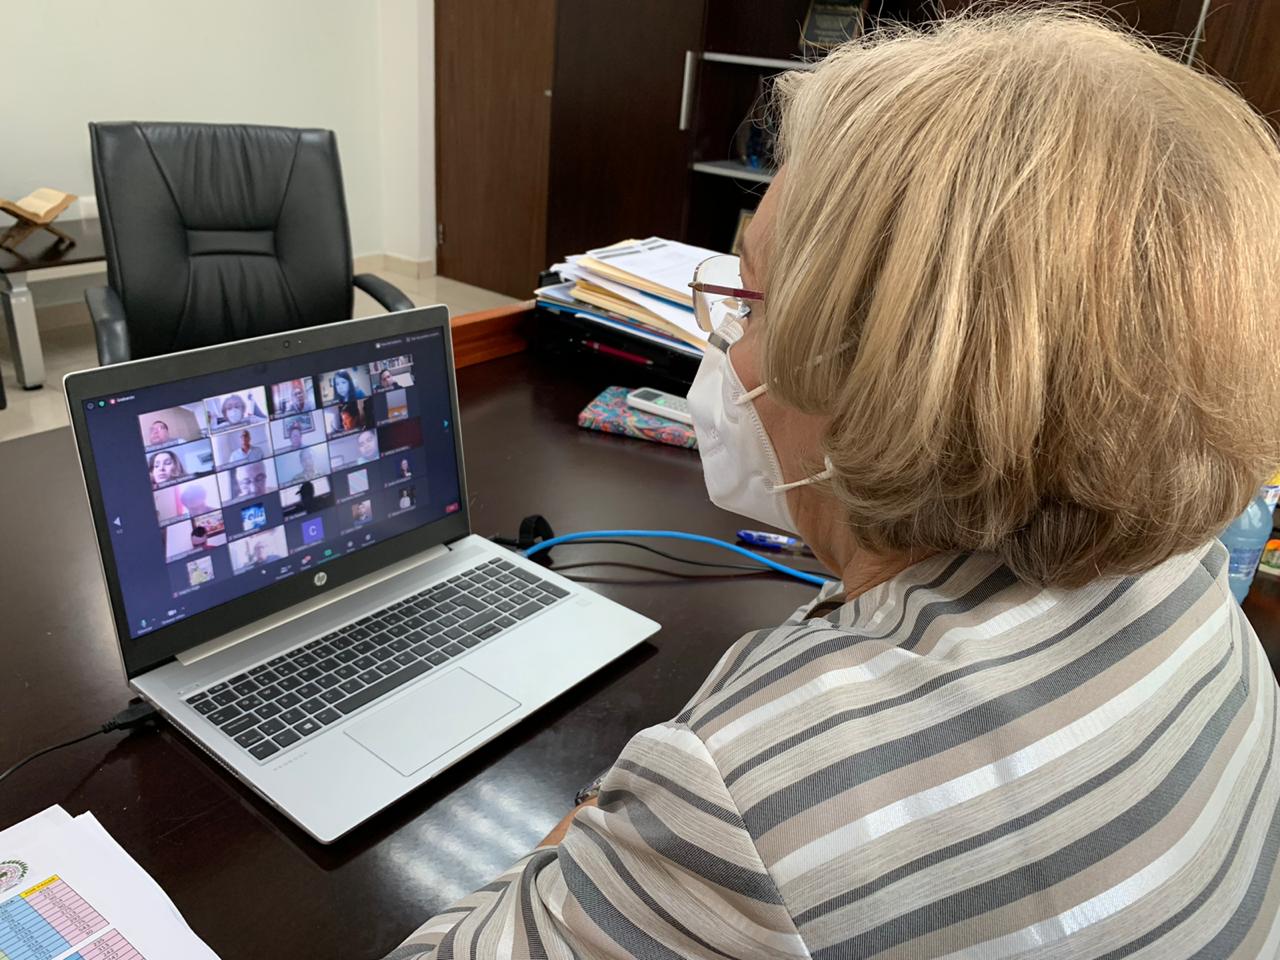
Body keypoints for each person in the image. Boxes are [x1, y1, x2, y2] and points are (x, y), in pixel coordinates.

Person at [387, 12, 1280, 960]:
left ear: (894, 375)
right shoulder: (1185, 582)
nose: (722, 349)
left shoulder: (743, 809)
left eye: (749, 301)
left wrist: (606, 825)